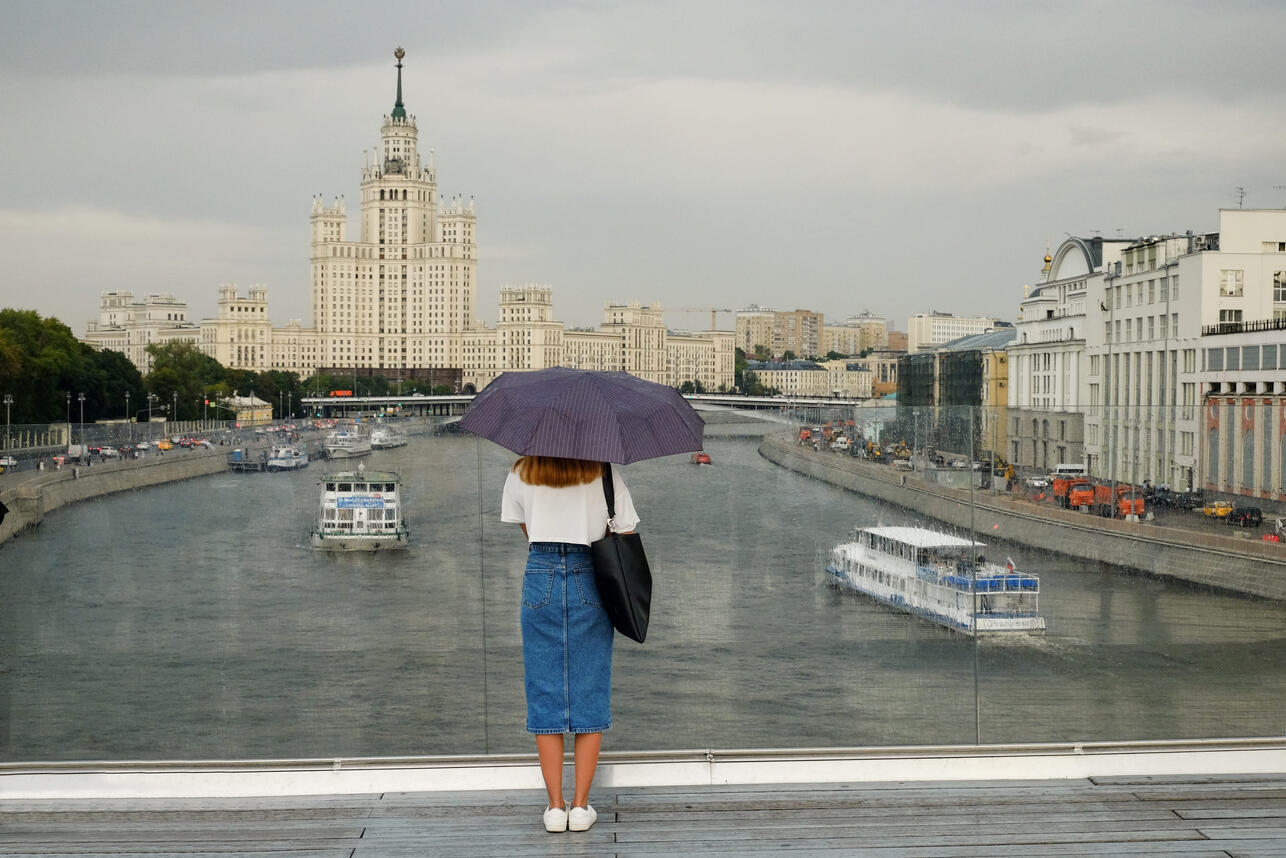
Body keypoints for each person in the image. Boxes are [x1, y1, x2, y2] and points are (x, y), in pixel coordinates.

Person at [501, 455, 640, 834]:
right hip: (590, 574)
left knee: (544, 689)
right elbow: (625, 529)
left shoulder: (521, 470)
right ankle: (580, 807)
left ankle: (554, 807)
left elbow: (526, 527)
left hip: (540, 572)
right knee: (589, 687)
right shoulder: (603, 471)